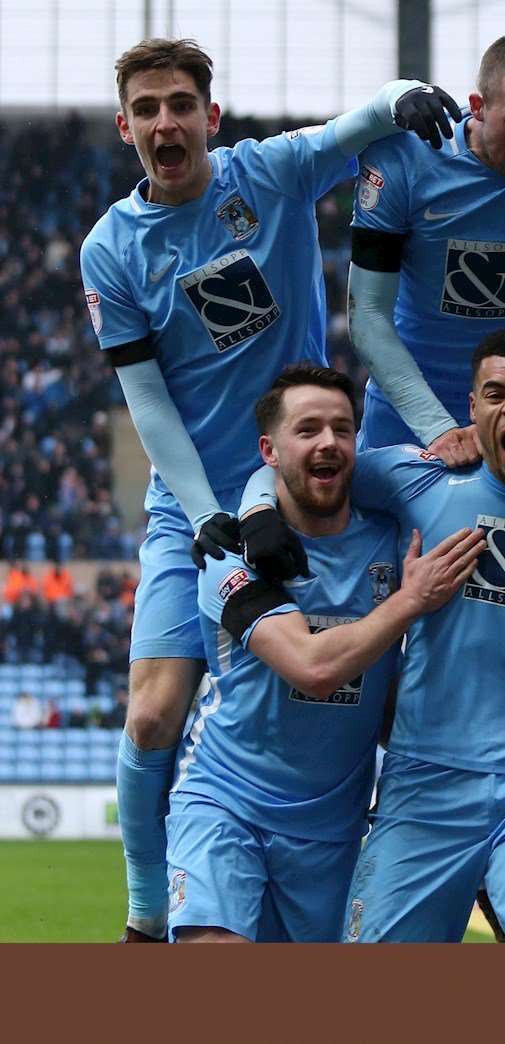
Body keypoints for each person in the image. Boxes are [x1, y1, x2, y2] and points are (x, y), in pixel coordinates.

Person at [79, 35, 462, 941]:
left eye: (180, 105)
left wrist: (408, 94)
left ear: (210, 117)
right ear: (125, 126)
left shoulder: (268, 175)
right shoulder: (112, 250)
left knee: (375, 673)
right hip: (199, 506)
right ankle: (144, 909)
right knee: (152, 713)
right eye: (146, 109)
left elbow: (364, 121)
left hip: (301, 474)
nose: (164, 122)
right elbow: (148, 401)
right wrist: (212, 513)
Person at [166, 364, 482, 942]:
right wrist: (409, 601)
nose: (328, 442)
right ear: (269, 449)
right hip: (227, 800)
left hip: (332, 829)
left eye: (342, 428)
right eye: (307, 429)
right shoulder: (232, 555)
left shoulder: (393, 536)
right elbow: (312, 668)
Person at [240, 331, 505, 941]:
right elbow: (299, 470)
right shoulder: (424, 480)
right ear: (471, 407)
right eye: (496, 393)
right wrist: (256, 512)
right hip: (429, 785)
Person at [349, 37, 505, 467]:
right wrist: (437, 426)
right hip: (407, 421)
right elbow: (367, 314)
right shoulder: (405, 160)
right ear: (477, 106)